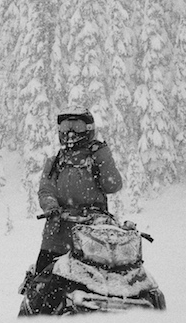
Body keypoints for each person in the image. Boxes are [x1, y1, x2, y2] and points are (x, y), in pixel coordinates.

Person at [31, 108, 123, 276]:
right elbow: (46, 189)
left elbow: (113, 185)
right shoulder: (55, 162)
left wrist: (103, 156)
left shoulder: (96, 156)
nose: (71, 133)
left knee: (109, 277)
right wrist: (51, 207)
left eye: (77, 127)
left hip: (94, 232)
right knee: (42, 279)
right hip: (58, 231)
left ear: (88, 129)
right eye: (66, 127)